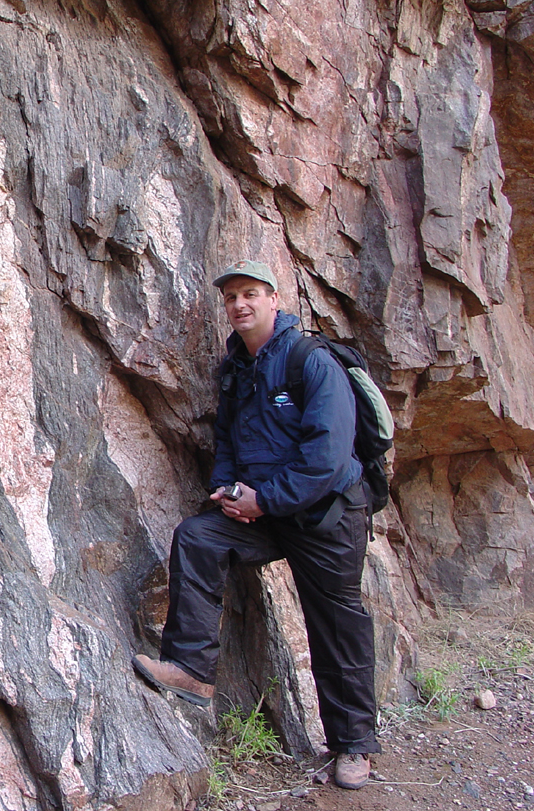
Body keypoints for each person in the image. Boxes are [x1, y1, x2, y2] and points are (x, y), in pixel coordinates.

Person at [132, 259, 381, 790]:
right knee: (198, 536)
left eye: (250, 294)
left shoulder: (310, 360)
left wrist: (262, 500)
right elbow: (227, 439)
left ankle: (353, 744)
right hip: (264, 511)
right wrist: (227, 489)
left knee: (336, 625)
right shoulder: (237, 367)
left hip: (326, 515)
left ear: (273, 299)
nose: (239, 305)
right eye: (230, 298)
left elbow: (330, 457)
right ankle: (192, 671)